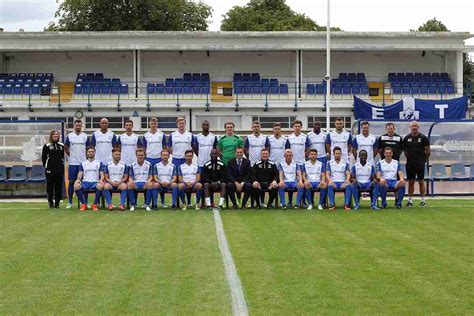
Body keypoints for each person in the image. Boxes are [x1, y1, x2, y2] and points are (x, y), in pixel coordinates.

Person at [402, 120, 430, 207]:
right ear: (410, 127)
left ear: (418, 127)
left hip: (420, 164)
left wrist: (423, 161)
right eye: (412, 126)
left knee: (421, 182)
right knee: (411, 182)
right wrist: (410, 158)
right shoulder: (406, 138)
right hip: (410, 164)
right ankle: (410, 201)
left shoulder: (423, 138)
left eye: (415, 126)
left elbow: (428, 151)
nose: (414, 127)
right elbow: (405, 151)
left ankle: (423, 200)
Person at [64, 119, 88, 208]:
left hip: (83, 163)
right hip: (73, 163)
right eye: (76, 125)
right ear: (74, 126)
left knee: (84, 182)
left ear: (82, 126)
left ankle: (85, 202)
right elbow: (66, 147)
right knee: (71, 182)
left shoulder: (85, 136)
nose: (78, 127)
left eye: (79, 125)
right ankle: (70, 202)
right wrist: (71, 155)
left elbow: (89, 148)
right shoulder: (70, 136)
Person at [74, 147, 104, 211]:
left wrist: (101, 180)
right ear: (87, 153)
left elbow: (102, 174)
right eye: (89, 152)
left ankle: (95, 204)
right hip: (85, 183)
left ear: (95, 152)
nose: (91, 153)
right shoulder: (83, 163)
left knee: (100, 185)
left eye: (92, 151)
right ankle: (84, 204)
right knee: (76, 186)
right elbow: (80, 174)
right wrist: (78, 180)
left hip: (95, 183)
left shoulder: (99, 163)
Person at [41, 129, 65, 208]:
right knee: (50, 187)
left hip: (59, 170)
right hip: (50, 170)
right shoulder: (47, 146)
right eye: (54, 134)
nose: (56, 136)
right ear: (51, 136)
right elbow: (44, 158)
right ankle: (50, 203)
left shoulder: (61, 145)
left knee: (58, 186)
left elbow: (62, 157)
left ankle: (57, 203)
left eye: (57, 134)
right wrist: (47, 166)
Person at [326, 147, 352, 211]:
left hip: (342, 182)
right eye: (336, 153)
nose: (338, 155)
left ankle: (346, 205)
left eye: (339, 153)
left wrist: (347, 180)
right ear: (333, 154)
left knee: (348, 185)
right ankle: (332, 204)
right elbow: (327, 174)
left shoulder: (345, 163)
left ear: (341, 154)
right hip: (333, 182)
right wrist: (330, 181)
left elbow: (348, 174)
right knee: (329, 185)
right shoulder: (329, 163)